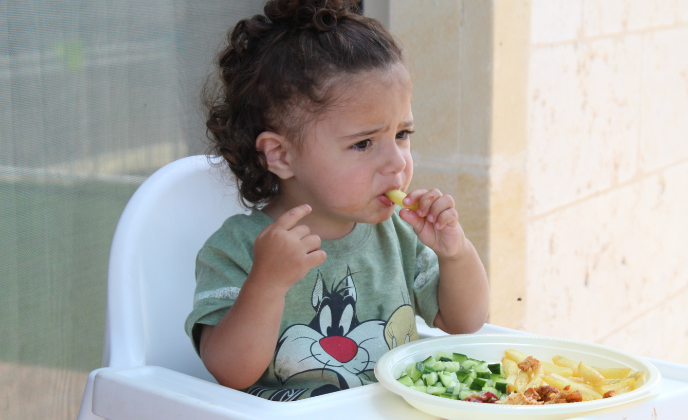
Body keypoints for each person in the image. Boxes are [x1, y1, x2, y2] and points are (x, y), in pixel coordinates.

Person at [184, 0, 489, 401]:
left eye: (402, 134)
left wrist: (455, 253)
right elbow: (231, 373)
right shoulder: (238, 249)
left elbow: (464, 322)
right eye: (363, 143)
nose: (397, 161)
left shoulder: (397, 236)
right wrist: (267, 284)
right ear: (281, 155)